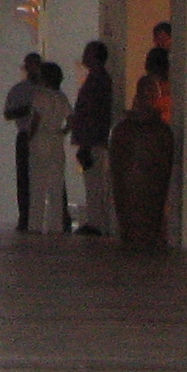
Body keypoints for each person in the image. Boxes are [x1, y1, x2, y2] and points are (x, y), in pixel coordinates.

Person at [69, 39, 115, 235]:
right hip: (93, 138)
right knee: (92, 182)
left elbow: (94, 113)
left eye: (88, 52)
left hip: (93, 140)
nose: (84, 56)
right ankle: (96, 221)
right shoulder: (97, 79)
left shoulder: (97, 81)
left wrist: (86, 143)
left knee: (94, 182)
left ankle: (98, 224)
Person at [26, 59, 73, 234]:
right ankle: (56, 226)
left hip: (40, 139)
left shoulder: (40, 95)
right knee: (56, 185)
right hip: (56, 140)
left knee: (37, 184)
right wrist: (63, 132)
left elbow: (36, 120)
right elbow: (71, 120)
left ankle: (35, 225)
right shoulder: (61, 97)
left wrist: (29, 137)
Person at [2, 51, 44, 232]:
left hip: (44, 136)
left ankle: (51, 218)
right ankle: (25, 217)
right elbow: (8, 113)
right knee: (24, 178)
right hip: (25, 135)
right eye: (30, 65)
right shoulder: (19, 90)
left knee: (48, 177)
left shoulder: (48, 90)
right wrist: (27, 110)